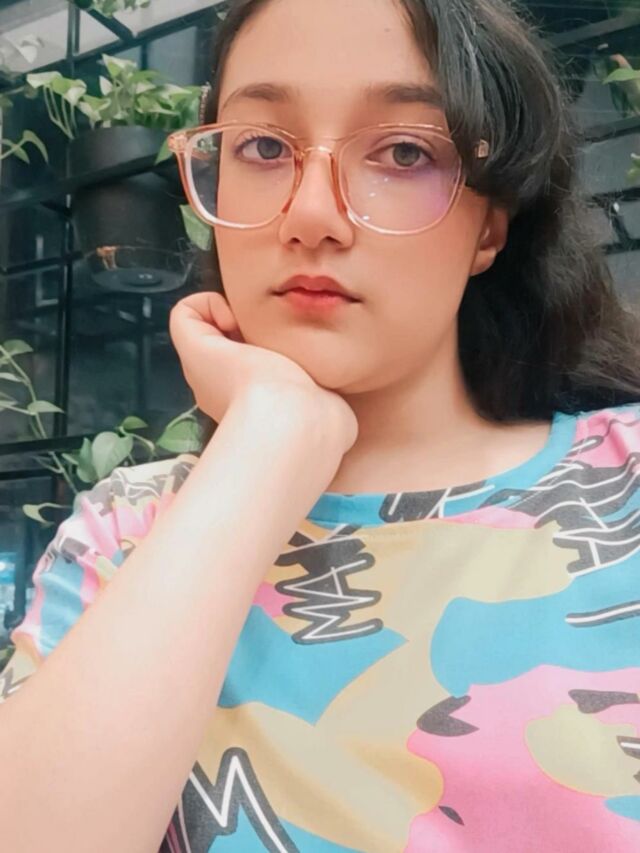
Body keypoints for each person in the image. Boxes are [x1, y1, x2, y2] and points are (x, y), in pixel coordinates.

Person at [2, 0, 640, 849]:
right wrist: (272, 433)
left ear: (490, 224)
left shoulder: (626, 483)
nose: (310, 214)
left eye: (404, 151)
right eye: (264, 147)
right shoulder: (128, 534)